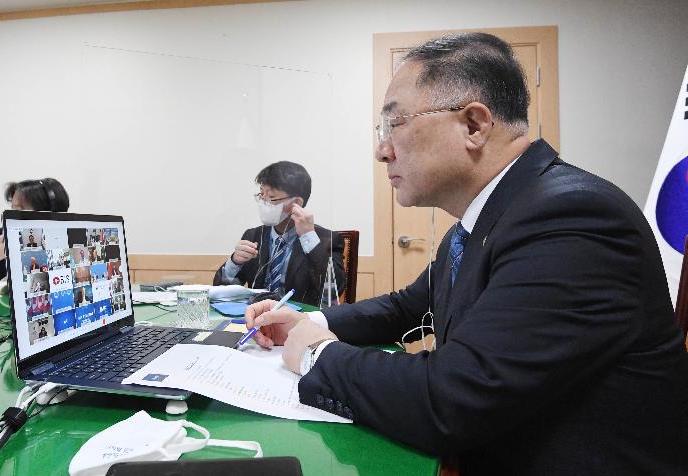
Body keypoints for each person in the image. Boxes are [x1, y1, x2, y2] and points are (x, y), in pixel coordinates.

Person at [244, 33, 688, 475]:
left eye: (393, 125)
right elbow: (406, 307)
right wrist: (308, 324)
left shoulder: (571, 218)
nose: (381, 150)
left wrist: (317, 354)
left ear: (474, 125)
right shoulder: (488, 221)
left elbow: (450, 402)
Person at [213, 161, 346, 307]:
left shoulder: (326, 239)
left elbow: (334, 291)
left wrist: (309, 238)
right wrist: (234, 262)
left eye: (271, 198)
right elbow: (221, 291)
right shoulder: (253, 236)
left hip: (299, 321)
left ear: (296, 202)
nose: (264, 202)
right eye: (261, 194)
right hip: (255, 317)